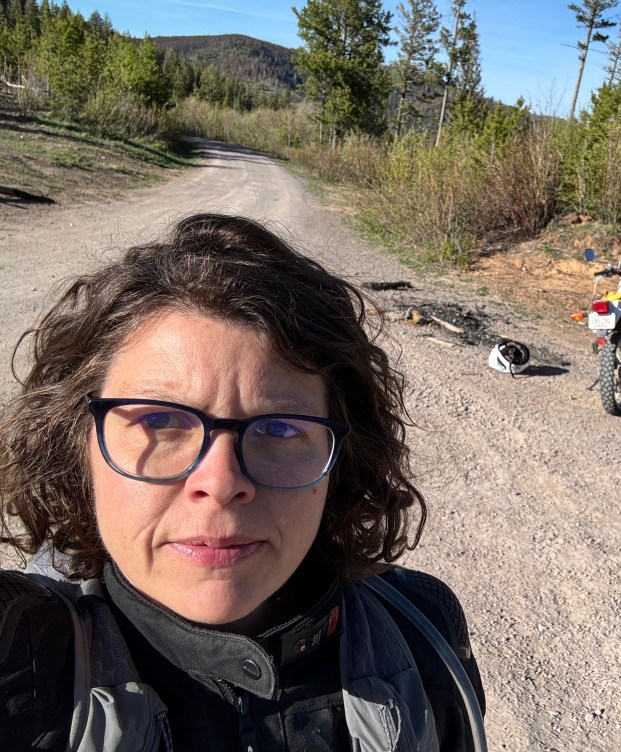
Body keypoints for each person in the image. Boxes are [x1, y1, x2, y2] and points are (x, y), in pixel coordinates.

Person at [0, 213, 485, 751]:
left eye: (279, 428)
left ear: (341, 460)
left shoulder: (424, 636)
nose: (222, 481)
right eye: (158, 421)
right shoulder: (18, 654)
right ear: (77, 445)